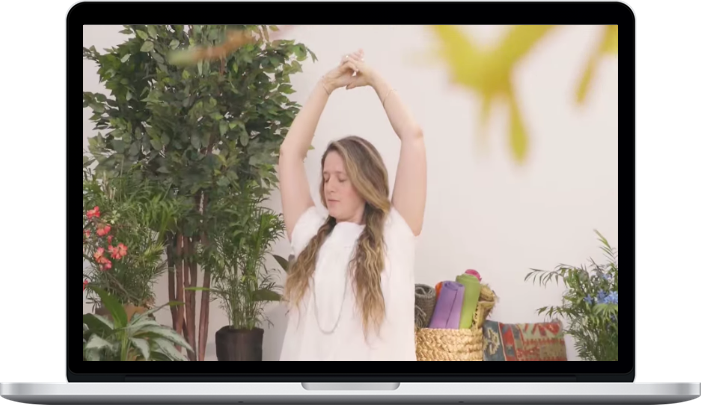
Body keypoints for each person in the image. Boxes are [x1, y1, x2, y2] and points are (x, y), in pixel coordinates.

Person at [278, 49, 427, 361]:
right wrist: (326, 85)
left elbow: (412, 136)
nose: (329, 186)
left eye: (342, 179)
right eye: (326, 177)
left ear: (365, 182)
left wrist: (373, 80)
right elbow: (290, 153)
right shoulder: (310, 233)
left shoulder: (394, 235)